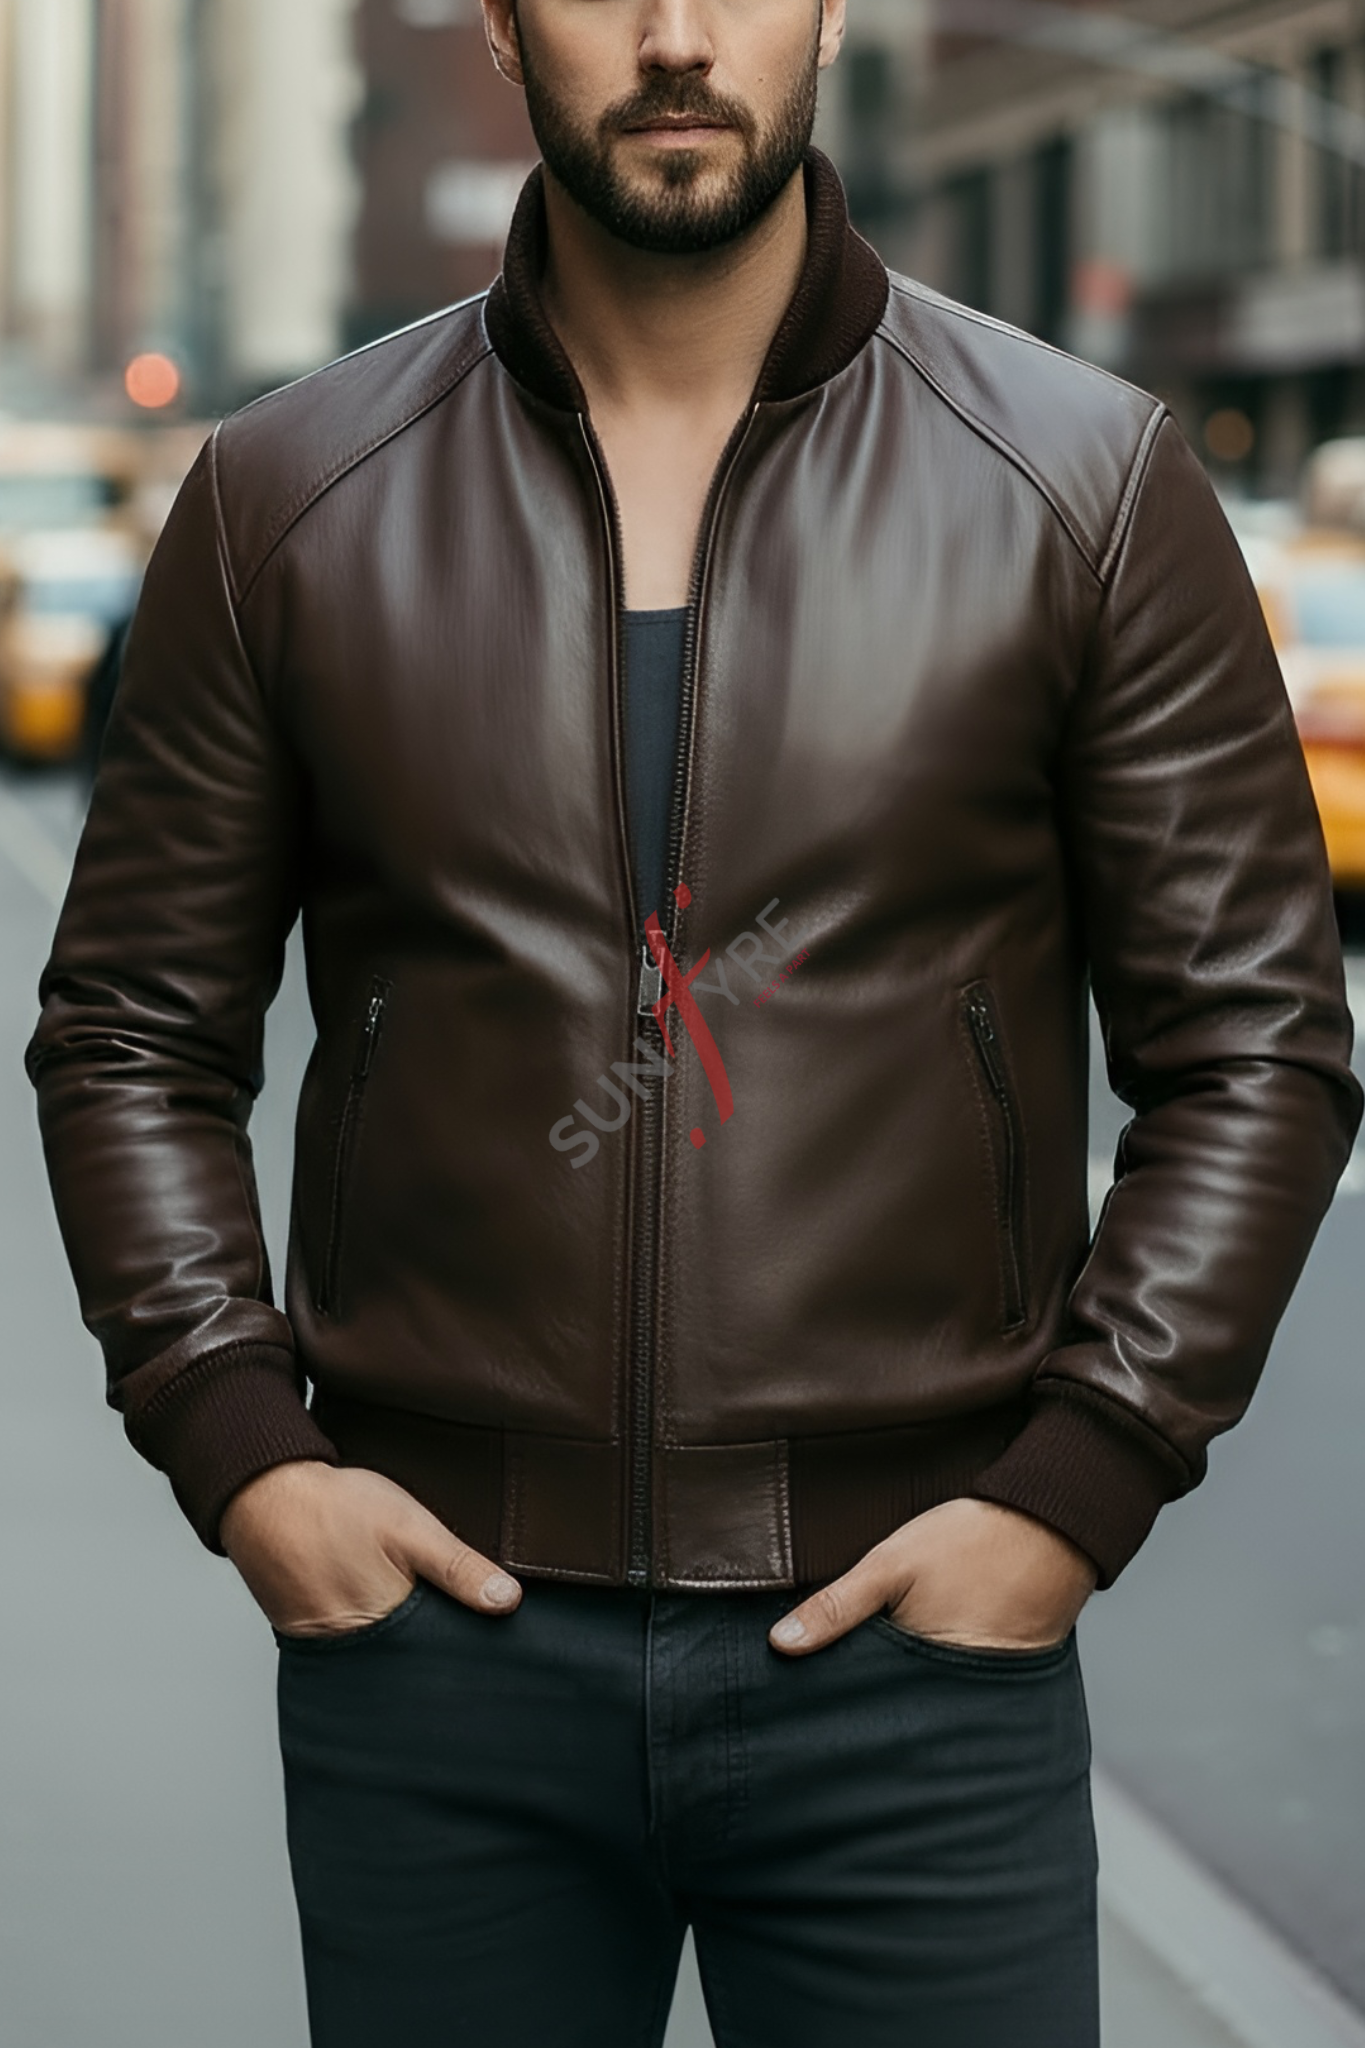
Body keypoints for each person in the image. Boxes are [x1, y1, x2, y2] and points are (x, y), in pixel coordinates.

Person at [26, 2, 1361, 2044]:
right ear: (498, 21)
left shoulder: (1084, 483)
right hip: (438, 1658)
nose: (671, 37)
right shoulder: (285, 496)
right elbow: (130, 1026)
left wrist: (1069, 1493)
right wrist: (242, 1451)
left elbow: (1258, 1047)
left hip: (919, 1669)